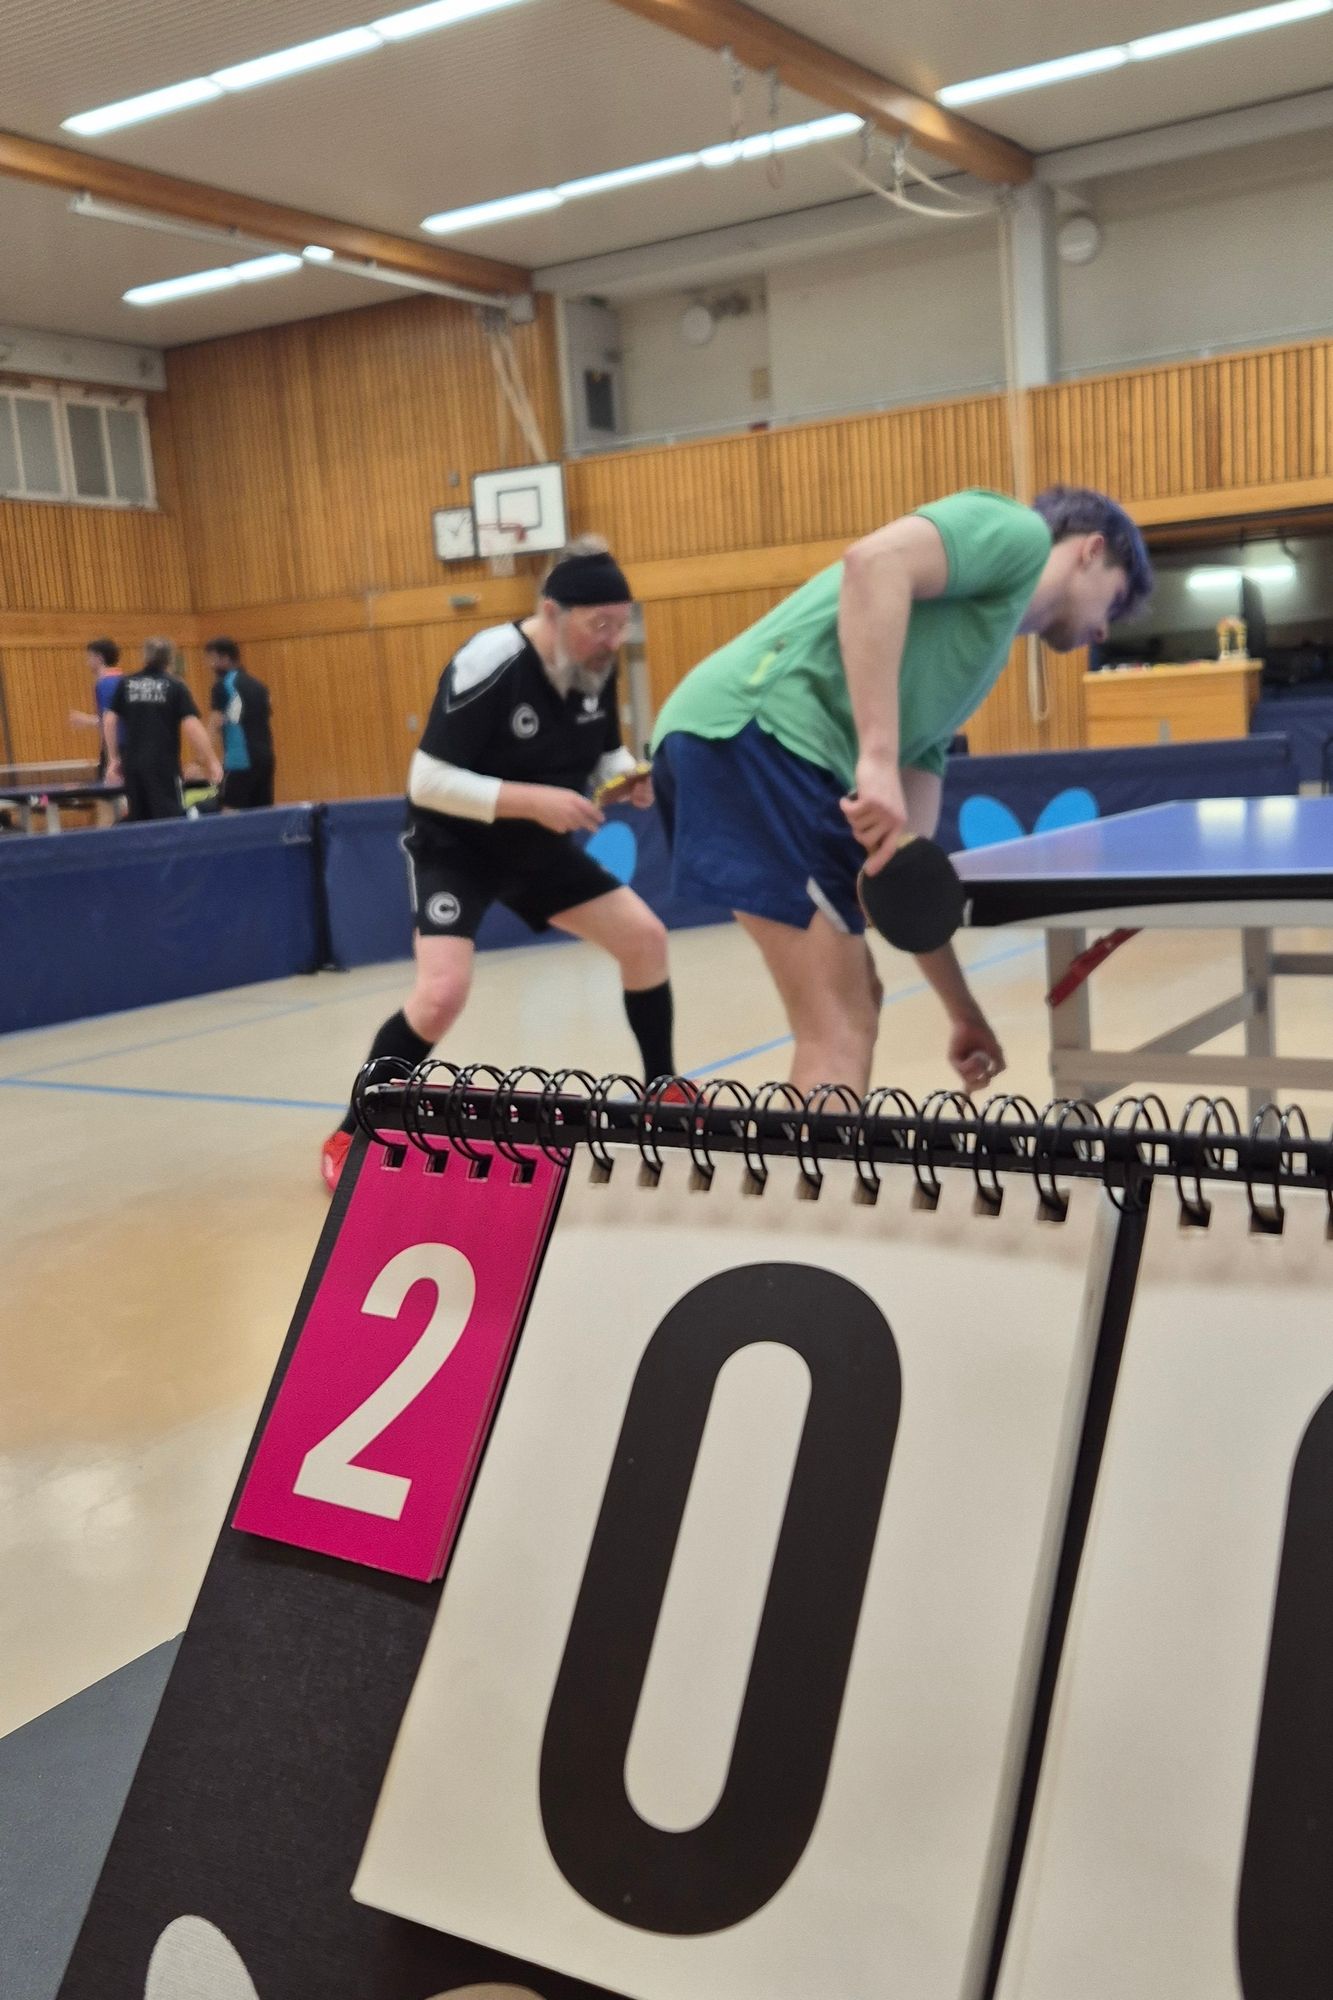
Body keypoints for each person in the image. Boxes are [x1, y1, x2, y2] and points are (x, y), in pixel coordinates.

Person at [651, 485, 1154, 1096]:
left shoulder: (974, 663)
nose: (1104, 629)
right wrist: (878, 757)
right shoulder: (1019, 535)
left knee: (858, 999)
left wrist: (963, 1011)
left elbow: (899, 869)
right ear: (1090, 551)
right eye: (1115, 601)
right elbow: (874, 561)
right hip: (756, 732)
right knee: (837, 1029)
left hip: (745, 745)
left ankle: (803, 1153)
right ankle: (812, 1162)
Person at [321, 537, 677, 1192]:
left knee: (645, 940)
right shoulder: (490, 660)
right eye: (599, 624)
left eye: (621, 623)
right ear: (552, 612)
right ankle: (353, 1129)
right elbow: (426, 781)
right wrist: (533, 800)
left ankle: (663, 1096)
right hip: (455, 848)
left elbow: (603, 752)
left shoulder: (594, 665)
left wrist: (627, 774)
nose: (612, 639)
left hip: (534, 847)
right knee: (441, 995)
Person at [104, 639, 222, 822]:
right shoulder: (175, 685)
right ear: (170, 659)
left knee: (139, 817)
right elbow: (192, 726)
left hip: (132, 763)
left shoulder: (126, 684)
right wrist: (212, 761)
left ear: (144, 657)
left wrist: (113, 758)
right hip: (163, 765)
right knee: (168, 818)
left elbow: (109, 720)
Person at [206, 638, 276, 808]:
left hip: (240, 759)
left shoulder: (223, 686)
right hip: (265, 758)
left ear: (225, 658)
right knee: (263, 813)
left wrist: (202, 759)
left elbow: (215, 723)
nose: (209, 665)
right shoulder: (259, 686)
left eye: (212, 659)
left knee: (229, 810)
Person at [69, 639, 123, 777]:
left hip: (117, 747)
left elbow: (111, 720)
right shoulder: (122, 680)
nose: (87, 662)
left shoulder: (106, 684)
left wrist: (112, 759)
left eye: (89, 657)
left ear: (99, 658)